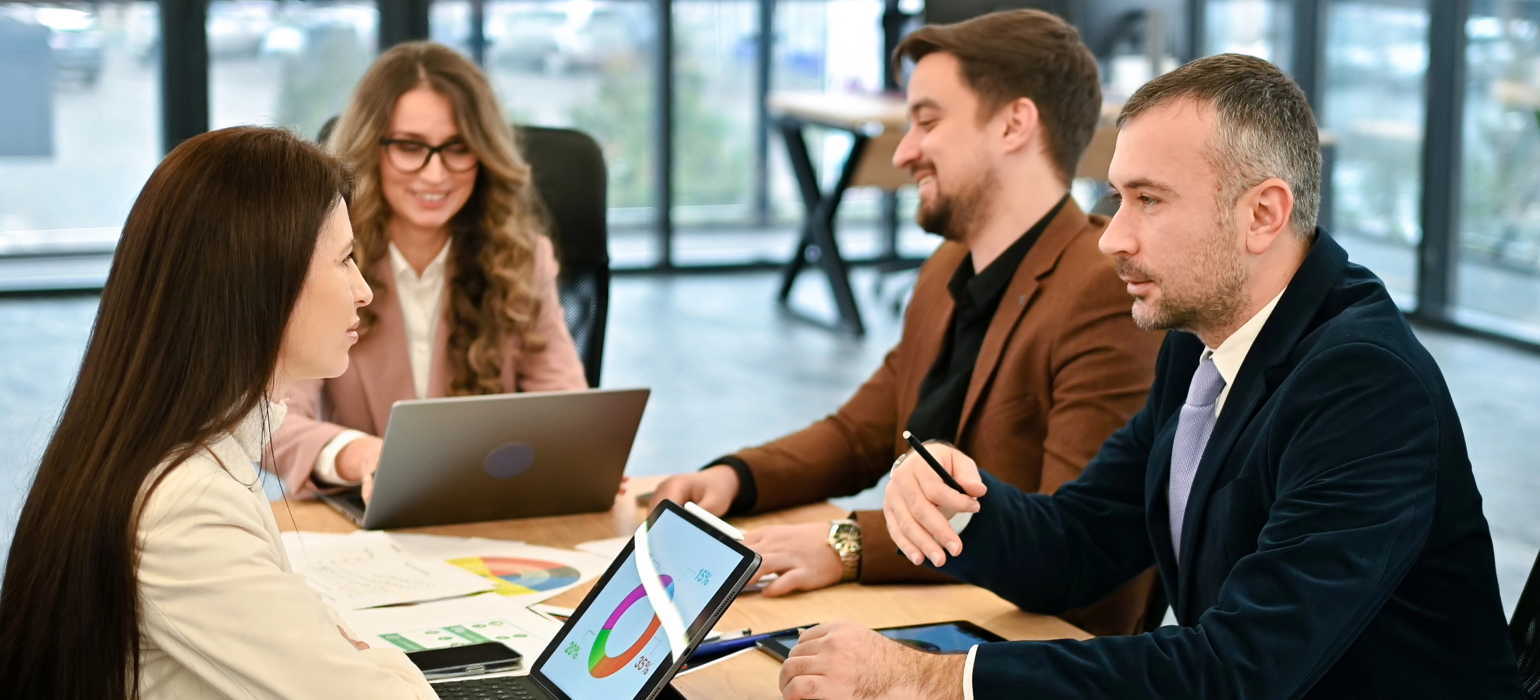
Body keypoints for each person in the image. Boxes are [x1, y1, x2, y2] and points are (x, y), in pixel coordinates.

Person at [777, 54, 1530, 700]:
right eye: (1115, 198)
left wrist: (931, 679)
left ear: (1263, 214)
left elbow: (1238, 672)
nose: (1111, 238)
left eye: (1149, 201)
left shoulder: (1365, 386)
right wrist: (959, 505)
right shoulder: (1205, 333)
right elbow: (1082, 542)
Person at [648, 10, 1164, 636]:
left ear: (1013, 124)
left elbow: (1066, 540)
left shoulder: (1101, 291)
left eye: (927, 120)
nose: (903, 151)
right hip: (933, 613)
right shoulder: (951, 267)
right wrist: (735, 477)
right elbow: (860, 433)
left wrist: (849, 544)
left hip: (1027, 639)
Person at [0, 128, 435, 699]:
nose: (363, 291)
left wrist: (340, 644)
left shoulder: (178, 450)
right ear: (263, 279)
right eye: (345, 260)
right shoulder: (187, 506)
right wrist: (378, 659)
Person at [273, 41, 587, 497]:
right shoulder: (323, 258)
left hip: (488, 508)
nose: (435, 175)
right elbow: (273, 419)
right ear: (371, 148)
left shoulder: (521, 258)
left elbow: (567, 411)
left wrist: (577, 453)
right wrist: (363, 455)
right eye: (410, 146)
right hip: (362, 515)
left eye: (457, 148)